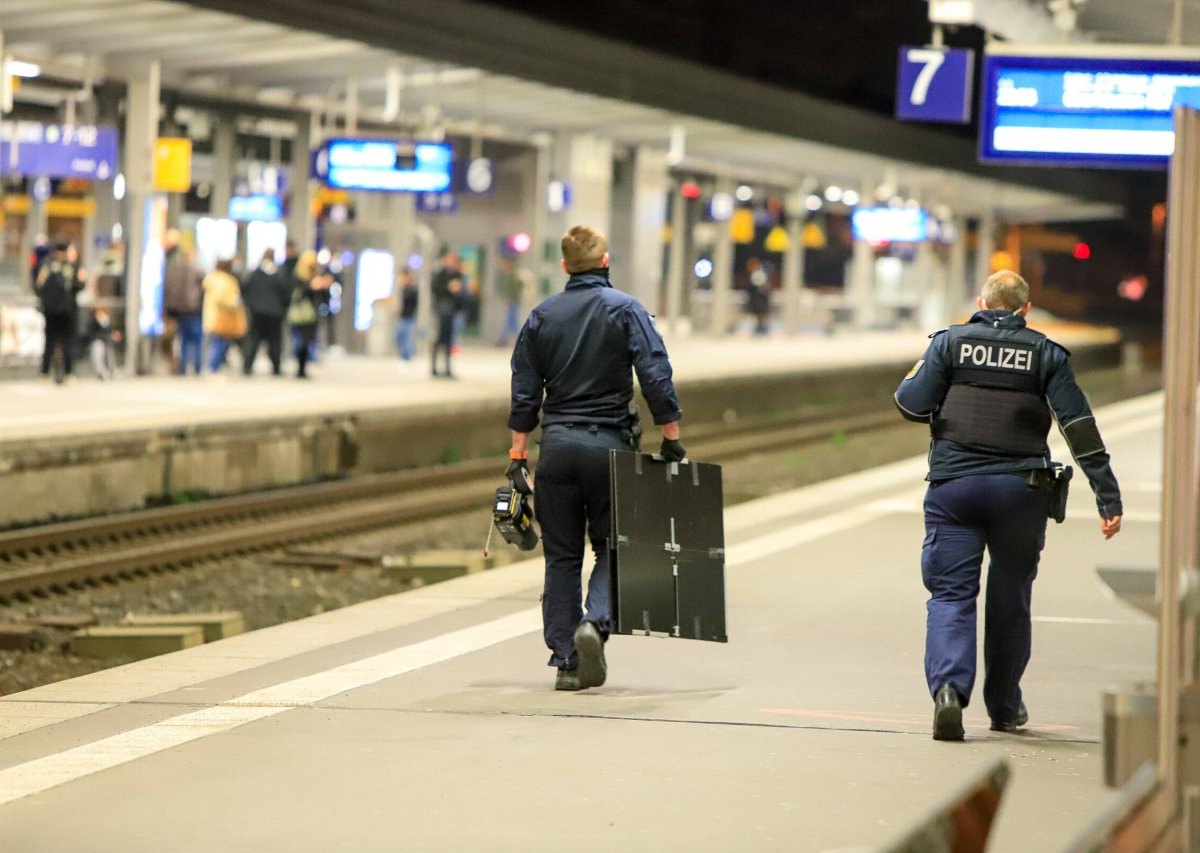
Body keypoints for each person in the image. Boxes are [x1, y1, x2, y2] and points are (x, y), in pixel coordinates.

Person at [894, 269, 1123, 742]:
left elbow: (911, 403)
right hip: (1021, 492)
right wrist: (1107, 494)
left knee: (951, 596)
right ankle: (1003, 707)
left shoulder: (949, 344)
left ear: (981, 301)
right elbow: (1077, 426)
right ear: (1025, 309)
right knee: (1009, 599)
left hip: (954, 489)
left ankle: (949, 694)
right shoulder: (1045, 353)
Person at [507, 224, 685, 692]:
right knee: (613, 547)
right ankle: (597, 623)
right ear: (605, 262)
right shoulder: (626, 310)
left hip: (558, 450)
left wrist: (517, 453)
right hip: (611, 450)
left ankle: (566, 659)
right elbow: (654, 373)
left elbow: (524, 390)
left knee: (561, 557)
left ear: (564, 267)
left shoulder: (542, 315)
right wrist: (671, 435)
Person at [34, 239, 85, 383]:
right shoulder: (72, 267)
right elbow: (80, 285)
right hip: (68, 311)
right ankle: (68, 372)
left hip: (50, 311)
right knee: (68, 341)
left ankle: (44, 372)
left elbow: (39, 285)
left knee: (49, 341)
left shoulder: (47, 266)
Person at [241, 251, 292, 376]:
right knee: (274, 341)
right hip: (275, 313)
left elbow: (246, 291)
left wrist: (252, 306)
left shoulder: (255, 274)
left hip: (258, 312)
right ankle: (276, 367)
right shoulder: (278, 275)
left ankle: (247, 366)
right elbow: (286, 294)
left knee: (254, 340)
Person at [163, 231, 204, 375]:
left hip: (178, 309)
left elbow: (168, 288)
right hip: (193, 308)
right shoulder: (197, 270)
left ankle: (183, 367)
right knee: (197, 338)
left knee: (184, 338)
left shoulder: (173, 269)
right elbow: (202, 288)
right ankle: (198, 367)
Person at [288, 250, 332, 379]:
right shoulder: (297, 276)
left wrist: (324, 287)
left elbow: (323, 298)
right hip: (299, 313)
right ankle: (299, 365)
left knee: (307, 341)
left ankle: (302, 368)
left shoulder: (318, 276)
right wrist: (311, 287)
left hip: (312, 314)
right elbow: (295, 294)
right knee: (299, 341)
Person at [201, 259, 246, 375]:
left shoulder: (211, 280)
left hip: (211, 315)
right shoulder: (227, 281)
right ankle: (213, 368)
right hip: (224, 317)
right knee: (220, 344)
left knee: (214, 343)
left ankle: (211, 366)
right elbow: (228, 299)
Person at [431, 249, 465, 378]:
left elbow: (461, 294)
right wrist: (449, 289)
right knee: (440, 338)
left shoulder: (457, 274)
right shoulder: (440, 274)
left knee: (449, 340)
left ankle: (447, 367)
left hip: (452, 310)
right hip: (442, 309)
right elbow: (436, 290)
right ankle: (434, 367)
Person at [497, 255, 532, 347]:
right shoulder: (510, 275)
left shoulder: (515, 275)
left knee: (512, 321)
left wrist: (508, 297)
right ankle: (507, 339)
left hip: (514, 301)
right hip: (513, 301)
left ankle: (512, 340)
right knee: (511, 321)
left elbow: (515, 289)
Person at [395, 268, 418, 362]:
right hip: (402, 317)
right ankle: (403, 357)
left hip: (409, 317)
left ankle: (407, 358)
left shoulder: (412, 288)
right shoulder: (403, 289)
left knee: (406, 339)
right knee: (399, 337)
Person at [744, 258, 771, 336]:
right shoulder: (757, 273)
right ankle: (760, 327)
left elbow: (761, 287)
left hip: (759, 298)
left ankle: (762, 328)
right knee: (758, 314)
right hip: (758, 298)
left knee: (761, 314)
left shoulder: (759, 273)